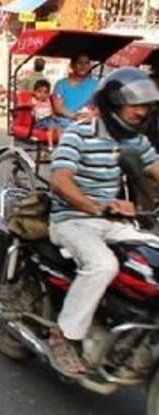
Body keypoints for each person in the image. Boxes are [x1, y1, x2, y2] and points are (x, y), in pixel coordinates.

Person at [48, 67, 159, 375]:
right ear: (113, 105)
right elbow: (60, 180)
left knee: (153, 258)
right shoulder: (79, 133)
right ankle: (63, 336)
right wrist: (96, 207)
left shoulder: (134, 141)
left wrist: (112, 209)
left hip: (109, 221)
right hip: (71, 220)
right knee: (103, 265)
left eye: (146, 106)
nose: (142, 112)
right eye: (135, 105)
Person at [52, 53, 97, 122]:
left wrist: (91, 115)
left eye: (86, 63)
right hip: (63, 123)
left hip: (88, 123)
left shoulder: (95, 84)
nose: (83, 66)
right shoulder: (61, 84)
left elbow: (100, 106)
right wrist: (75, 116)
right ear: (72, 65)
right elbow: (58, 108)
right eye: (80, 63)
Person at [32, 79, 68, 151]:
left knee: (59, 126)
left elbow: (52, 110)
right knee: (51, 124)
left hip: (49, 120)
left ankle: (61, 145)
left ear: (48, 94)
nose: (42, 95)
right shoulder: (33, 101)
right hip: (39, 122)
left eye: (45, 92)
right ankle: (50, 146)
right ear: (34, 92)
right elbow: (31, 111)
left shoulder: (49, 101)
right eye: (39, 92)